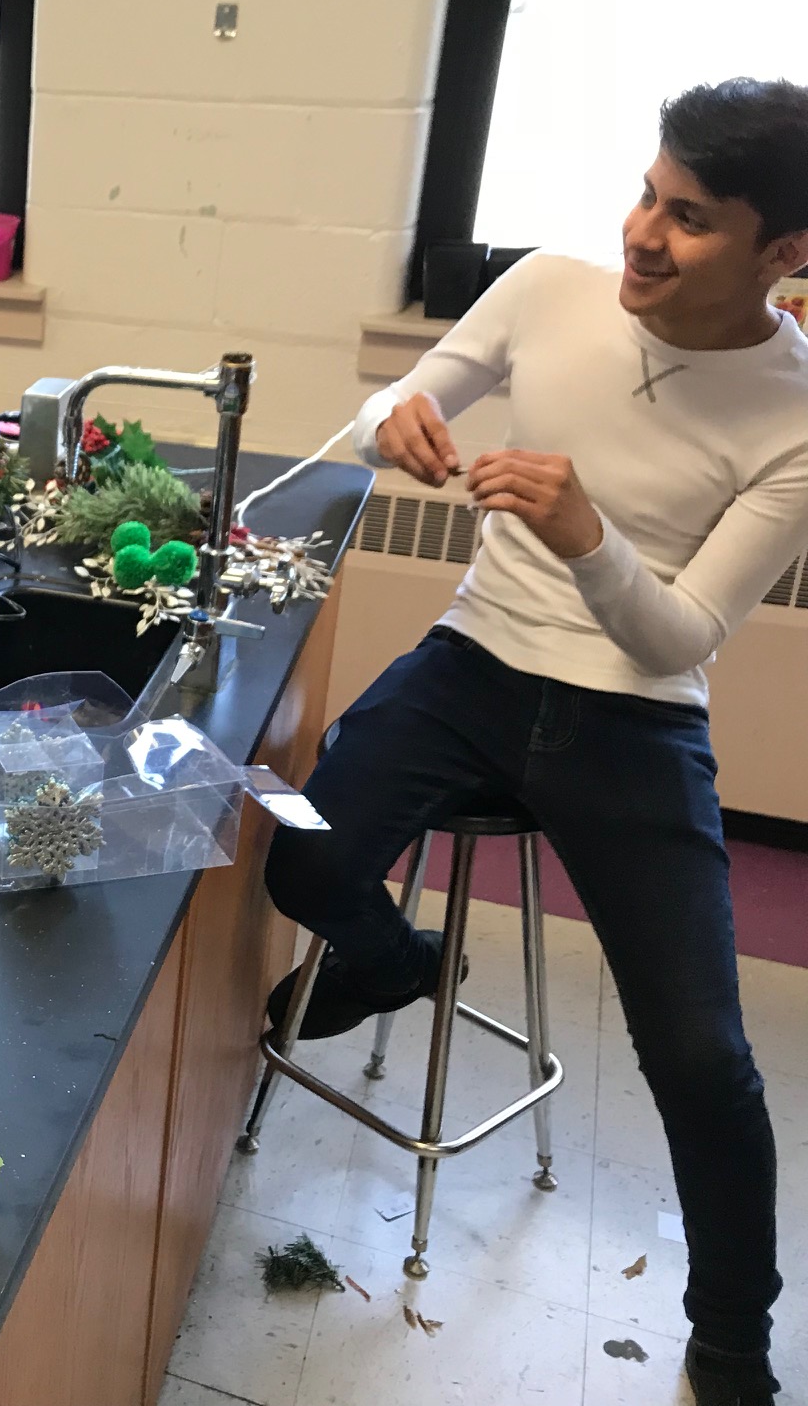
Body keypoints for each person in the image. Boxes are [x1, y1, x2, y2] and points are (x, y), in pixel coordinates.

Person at [264, 78, 808, 1406]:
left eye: (689, 219)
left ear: (785, 255)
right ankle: (401, 962)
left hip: (635, 721)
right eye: (645, 192)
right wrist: (393, 414)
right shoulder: (551, 288)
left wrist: (587, 534)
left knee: (699, 1055)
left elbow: (679, 636)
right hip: (472, 664)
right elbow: (399, 401)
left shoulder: (796, 417)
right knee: (300, 864)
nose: (641, 233)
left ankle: (732, 1334)